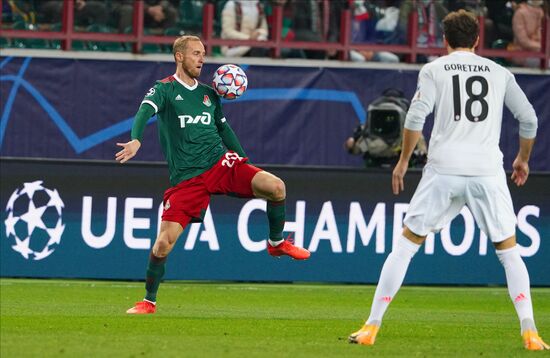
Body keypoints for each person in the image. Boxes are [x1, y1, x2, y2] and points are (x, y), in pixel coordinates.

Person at [348, 10, 548, 350]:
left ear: (444, 40)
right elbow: (528, 119)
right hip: (487, 170)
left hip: (444, 169)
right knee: (509, 252)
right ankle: (530, 331)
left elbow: (415, 116)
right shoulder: (499, 73)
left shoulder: (433, 69)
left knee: (406, 246)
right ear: (477, 40)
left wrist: (402, 161)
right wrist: (522, 159)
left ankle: (371, 326)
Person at [116, 35, 310, 315]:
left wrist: (244, 161)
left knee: (276, 187)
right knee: (162, 245)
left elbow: (224, 129)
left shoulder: (209, 94)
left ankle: (277, 243)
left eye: (204, 54)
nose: (202, 59)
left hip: (220, 164)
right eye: (196, 53)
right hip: (187, 179)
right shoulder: (165, 89)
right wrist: (136, 139)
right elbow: (144, 111)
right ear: (179, 57)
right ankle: (149, 301)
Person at [509, 0, 544, 68]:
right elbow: (523, 41)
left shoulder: (541, 12)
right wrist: (541, 47)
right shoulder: (520, 13)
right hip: (522, 53)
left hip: (540, 53)